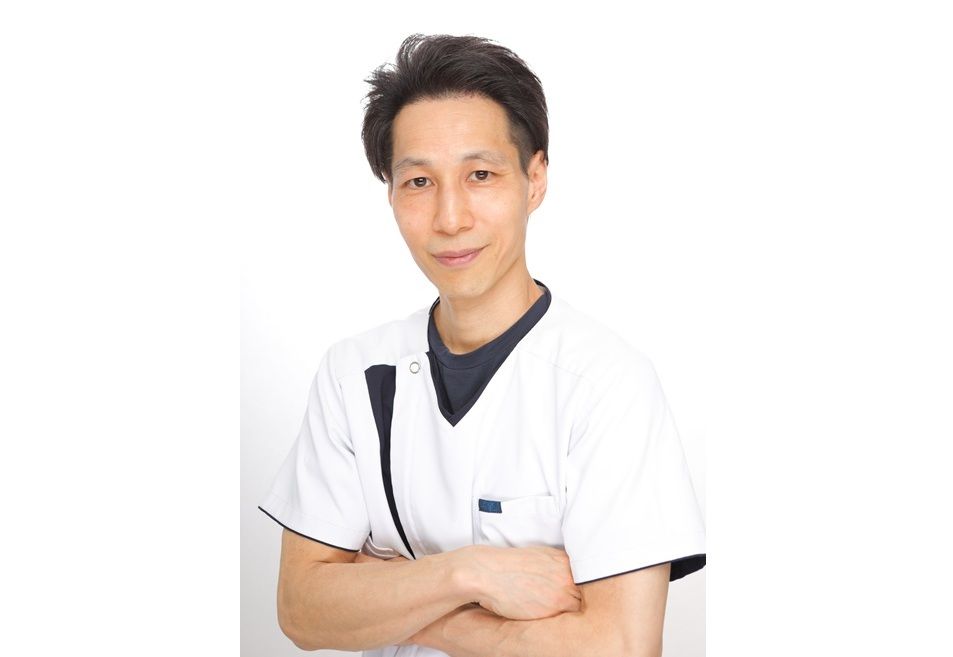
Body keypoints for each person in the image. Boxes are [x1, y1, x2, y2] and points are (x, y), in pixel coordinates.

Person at [259, 33, 706, 656]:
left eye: (481, 175)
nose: (450, 218)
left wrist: (398, 601)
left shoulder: (607, 384)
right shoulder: (354, 375)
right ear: (390, 193)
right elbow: (301, 610)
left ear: (535, 179)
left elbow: (622, 646)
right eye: (419, 181)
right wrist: (467, 575)